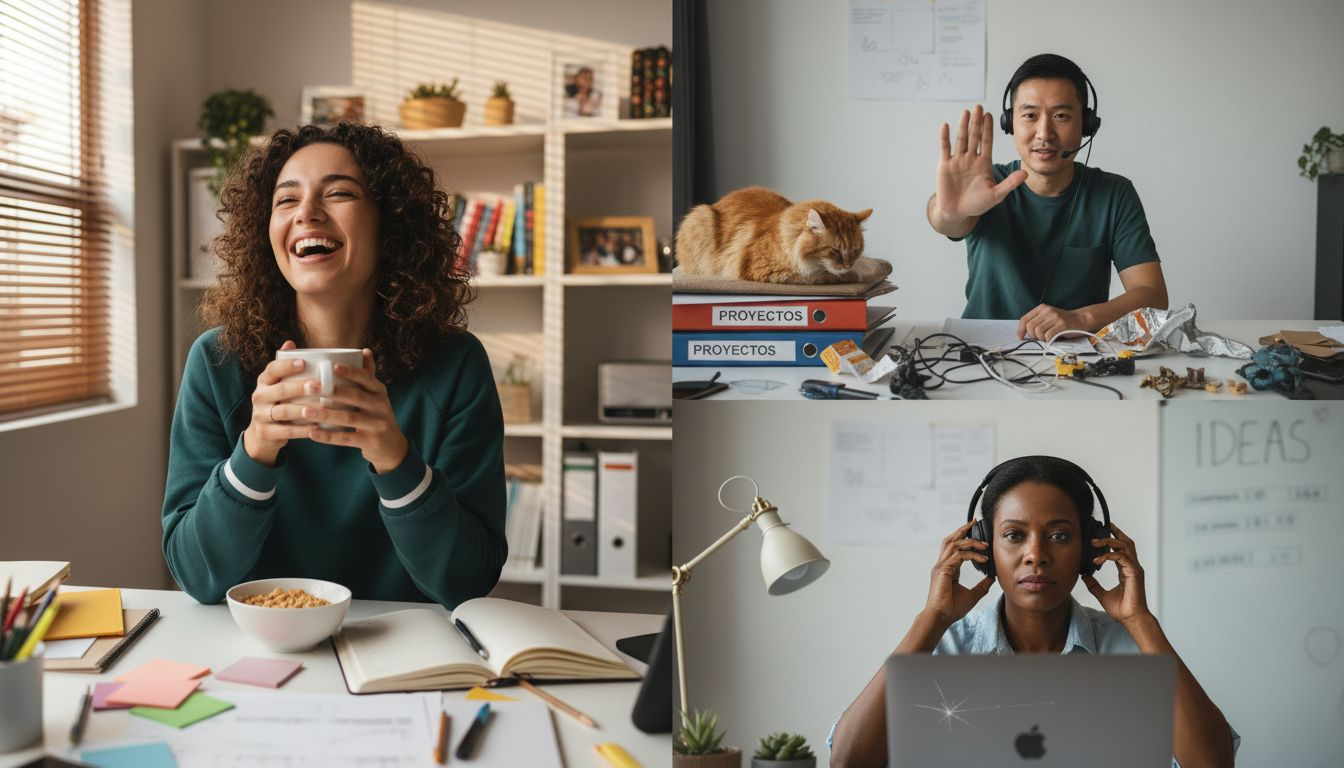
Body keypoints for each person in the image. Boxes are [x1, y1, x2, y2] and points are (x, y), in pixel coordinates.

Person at [161, 122, 507, 610]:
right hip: (261, 644)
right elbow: (196, 575)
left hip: (405, 646)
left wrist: (394, 457)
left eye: (339, 193)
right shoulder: (217, 362)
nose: (306, 213)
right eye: (286, 199)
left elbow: (468, 581)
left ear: (390, 221)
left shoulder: (455, 366)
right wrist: (255, 449)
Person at [828, 456, 1237, 768]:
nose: (1036, 555)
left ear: (1090, 548)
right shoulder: (942, 648)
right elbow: (848, 762)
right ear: (984, 548)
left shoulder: (1133, 649)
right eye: (1013, 535)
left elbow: (1213, 764)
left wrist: (1140, 622)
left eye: (1059, 535)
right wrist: (931, 619)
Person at [927, 54, 1169, 342]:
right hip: (981, 350)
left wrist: (1082, 318)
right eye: (1030, 115)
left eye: (1061, 116)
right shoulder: (987, 186)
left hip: (1075, 354)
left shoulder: (1114, 193)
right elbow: (947, 221)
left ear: (1086, 124)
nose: (1044, 133)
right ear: (1010, 122)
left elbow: (1153, 296)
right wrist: (949, 212)